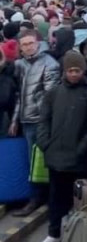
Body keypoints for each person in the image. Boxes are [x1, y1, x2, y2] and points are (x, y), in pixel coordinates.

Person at [35, 51, 87, 242]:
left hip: (81, 158)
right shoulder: (54, 93)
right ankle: (54, 233)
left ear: (83, 70)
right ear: (64, 71)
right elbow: (43, 120)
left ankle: (81, 237)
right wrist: (44, 143)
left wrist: (82, 147)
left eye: (77, 70)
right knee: (56, 198)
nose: (74, 74)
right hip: (55, 155)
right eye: (70, 71)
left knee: (82, 200)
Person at [11, 28, 61, 216]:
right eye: (24, 45)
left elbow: (49, 97)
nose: (28, 47)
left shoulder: (50, 64)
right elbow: (19, 95)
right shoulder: (21, 65)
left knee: (40, 163)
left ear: (38, 43)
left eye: (31, 43)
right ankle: (37, 197)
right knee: (30, 163)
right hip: (26, 119)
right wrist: (15, 119)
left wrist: (44, 122)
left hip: (39, 121)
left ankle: (40, 199)